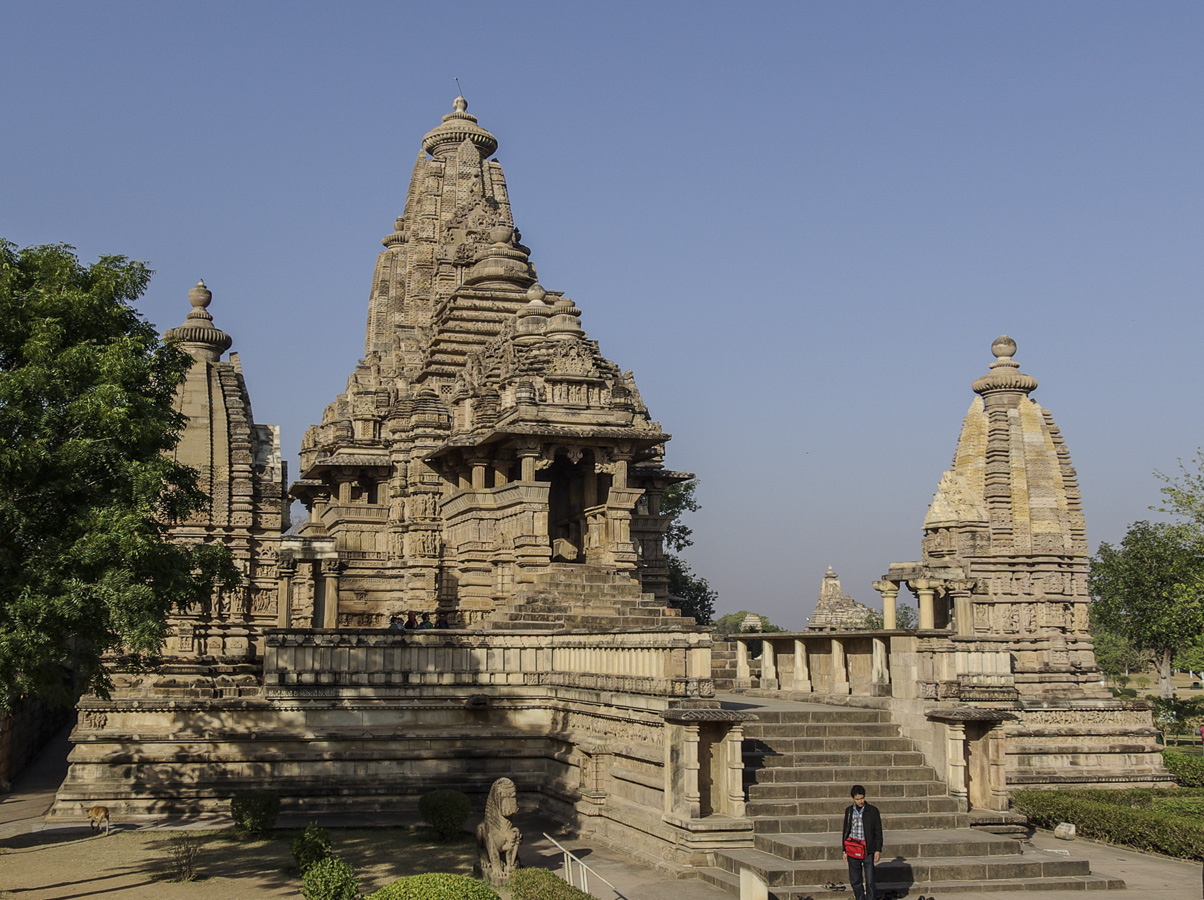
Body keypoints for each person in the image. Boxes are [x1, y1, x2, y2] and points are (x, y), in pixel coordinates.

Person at [841, 784, 883, 900]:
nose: (860, 801)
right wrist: (844, 850)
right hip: (852, 848)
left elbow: (878, 832)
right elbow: (846, 831)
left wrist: (878, 850)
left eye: (862, 798)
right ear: (853, 799)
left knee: (870, 880)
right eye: (857, 799)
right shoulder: (849, 811)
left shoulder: (873, 811)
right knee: (855, 880)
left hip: (867, 849)